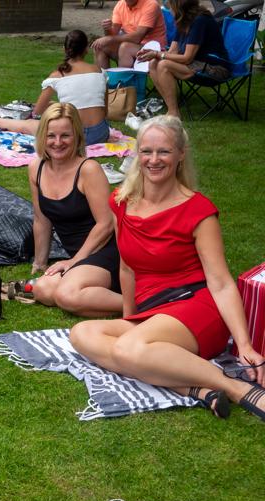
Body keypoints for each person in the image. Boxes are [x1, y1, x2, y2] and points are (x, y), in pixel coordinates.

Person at [70, 116, 265, 422]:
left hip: (196, 306)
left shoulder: (198, 210)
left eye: (164, 151)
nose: (154, 160)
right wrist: (128, 318)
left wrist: (243, 344)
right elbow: (127, 268)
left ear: (180, 155)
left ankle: (236, 387)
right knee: (82, 333)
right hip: (153, 311)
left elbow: (221, 283)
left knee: (127, 348)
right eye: (147, 151)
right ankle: (195, 389)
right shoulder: (121, 202)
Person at [18, 103, 122, 317]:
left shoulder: (89, 170)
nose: (57, 142)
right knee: (44, 290)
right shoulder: (36, 168)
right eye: (51, 136)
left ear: (76, 136)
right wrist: (40, 262)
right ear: (42, 136)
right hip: (78, 255)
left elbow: (106, 224)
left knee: (65, 295)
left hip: (107, 250)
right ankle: (97, 295)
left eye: (65, 135)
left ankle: (141, 304)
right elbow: (41, 218)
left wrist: (75, 261)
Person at [0, 30, 110, 146]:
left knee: (30, 124)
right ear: (86, 49)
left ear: (64, 49)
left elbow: (37, 111)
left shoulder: (57, 76)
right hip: (101, 133)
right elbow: (103, 110)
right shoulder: (99, 71)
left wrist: (52, 108)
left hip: (74, 136)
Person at [136, 0, 230, 117]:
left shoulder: (200, 21)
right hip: (197, 63)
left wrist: (157, 54)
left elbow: (187, 58)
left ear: (179, 7)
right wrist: (153, 53)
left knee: (164, 65)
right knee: (154, 63)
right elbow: (172, 52)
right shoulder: (183, 21)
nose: (169, 10)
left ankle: (173, 112)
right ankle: (170, 106)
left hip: (215, 68)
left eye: (171, 6)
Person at [92, 0, 168, 69]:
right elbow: (112, 35)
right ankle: (102, 79)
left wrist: (109, 39)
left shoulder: (151, 4)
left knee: (125, 47)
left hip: (154, 48)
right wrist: (107, 29)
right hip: (132, 46)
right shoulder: (120, 4)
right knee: (99, 46)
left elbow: (138, 37)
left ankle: (123, 79)